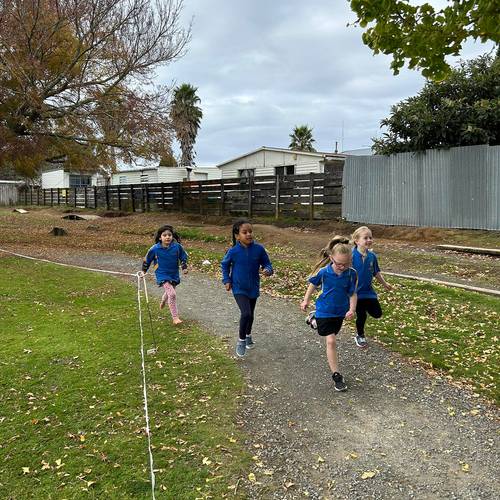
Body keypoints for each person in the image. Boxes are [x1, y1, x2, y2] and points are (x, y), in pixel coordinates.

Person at [300, 236, 357, 392]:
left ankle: (313, 319)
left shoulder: (351, 274)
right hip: (324, 310)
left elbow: (352, 293)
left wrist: (351, 309)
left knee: (330, 333)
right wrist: (305, 300)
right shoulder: (324, 272)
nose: (342, 267)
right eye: (339, 264)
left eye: (346, 264)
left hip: (339, 313)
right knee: (331, 340)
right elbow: (312, 284)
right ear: (331, 258)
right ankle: (336, 375)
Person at [221, 219, 273, 357]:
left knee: (251, 315)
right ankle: (241, 340)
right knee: (246, 313)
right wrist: (226, 280)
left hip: (253, 287)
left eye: (250, 231)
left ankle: (248, 335)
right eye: (245, 232)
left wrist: (268, 270)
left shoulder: (259, 249)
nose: (249, 234)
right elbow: (224, 265)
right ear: (237, 236)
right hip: (238, 288)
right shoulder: (233, 251)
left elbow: (267, 264)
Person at [351, 226, 392, 348]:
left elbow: (376, 272)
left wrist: (385, 284)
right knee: (361, 315)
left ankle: (359, 309)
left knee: (377, 313)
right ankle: (360, 335)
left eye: (370, 237)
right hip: (355, 293)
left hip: (368, 292)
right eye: (365, 238)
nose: (369, 240)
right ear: (357, 241)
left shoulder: (372, 256)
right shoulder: (350, 256)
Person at [142, 224, 188, 325]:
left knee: (169, 292)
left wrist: (184, 267)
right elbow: (147, 259)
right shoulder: (155, 249)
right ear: (160, 237)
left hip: (173, 273)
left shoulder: (177, 247)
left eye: (169, 235)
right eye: (164, 235)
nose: (167, 237)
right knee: (172, 294)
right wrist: (143, 271)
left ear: (172, 236)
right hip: (161, 273)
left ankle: (163, 301)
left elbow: (183, 257)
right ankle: (175, 318)